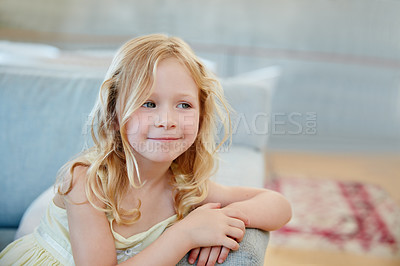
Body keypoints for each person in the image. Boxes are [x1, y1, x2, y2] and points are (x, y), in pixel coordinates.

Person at [0, 34, 291, 266]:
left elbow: (279, 206)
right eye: (148, 104)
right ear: (114, 115)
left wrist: (223, 218)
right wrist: (186, 233)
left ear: (202, 117)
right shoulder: (88, 182)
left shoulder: (184, 187)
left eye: (184, 105)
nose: (167, 121)